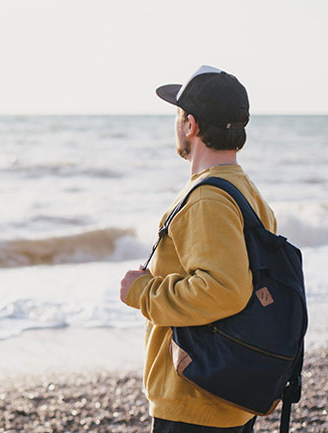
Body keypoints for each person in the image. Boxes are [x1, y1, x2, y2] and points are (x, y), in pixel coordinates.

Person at [119, 65, 276, 433]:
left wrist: (140, 291)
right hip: (227, 389)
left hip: (194, 397)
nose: (176, 124)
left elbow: (223, 289)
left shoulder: (207, 197)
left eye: (178, 115)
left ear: (191, 125)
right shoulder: (246, 191)